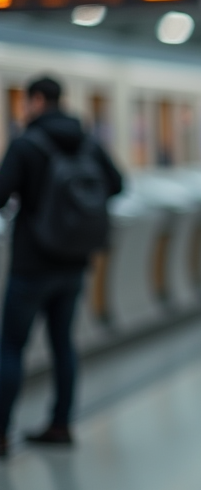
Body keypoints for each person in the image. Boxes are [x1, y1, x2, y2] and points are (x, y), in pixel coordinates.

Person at [0, 76, 123, 456]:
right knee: (62, 344)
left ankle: (2, 432)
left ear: (37, 100)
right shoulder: (86, 140)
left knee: (11, 346)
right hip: (74, 261)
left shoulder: (26, 144)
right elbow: (117, 183)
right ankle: (61, 423)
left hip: (32, 263)